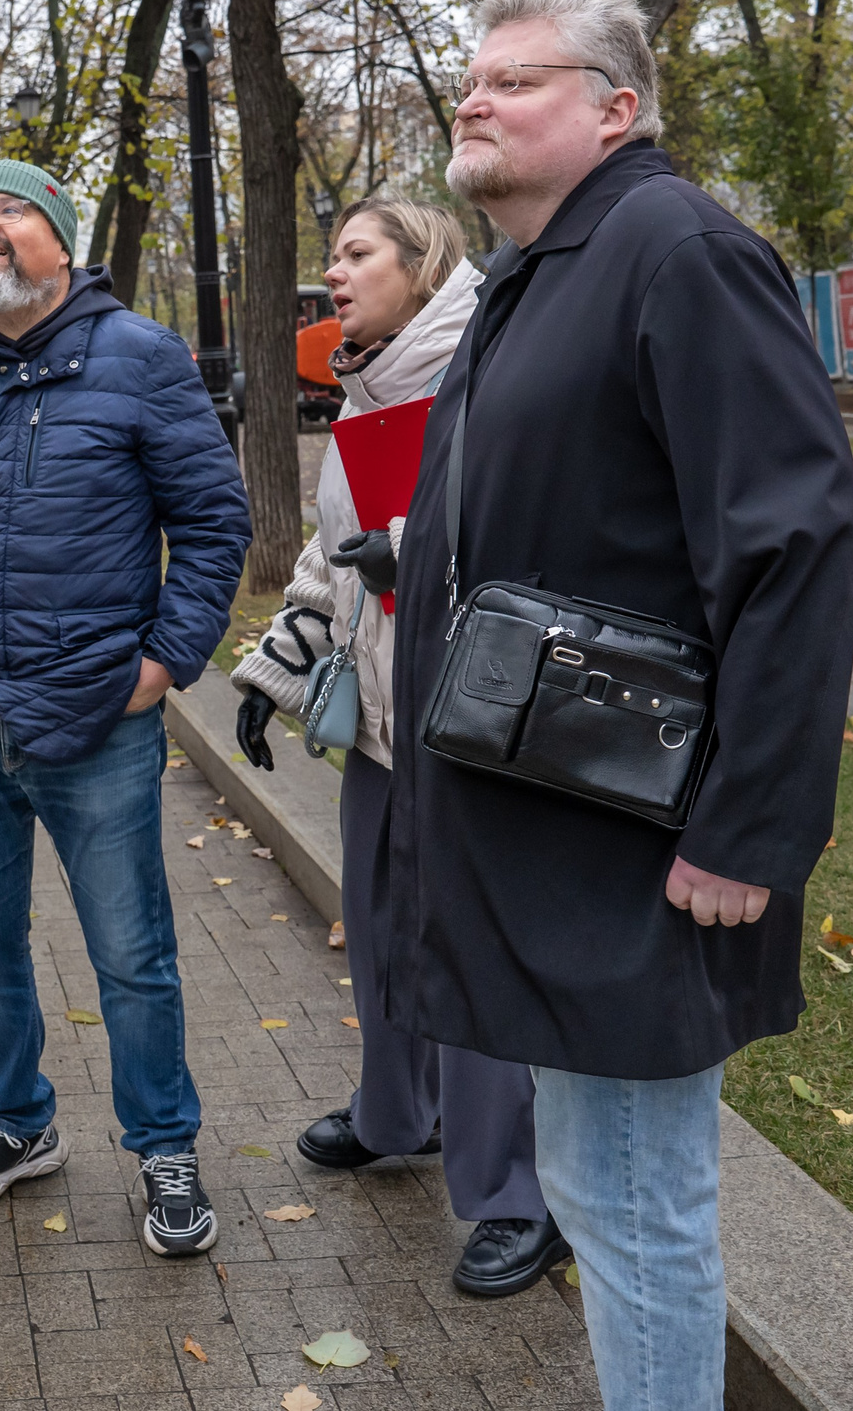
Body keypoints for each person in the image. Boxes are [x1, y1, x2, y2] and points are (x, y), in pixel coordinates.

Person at [383, 0, 853, 1408]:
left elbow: (797, 548)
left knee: (640, 1210)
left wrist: (746, 831)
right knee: (600, 1193)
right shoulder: (551, 268)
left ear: (616, 109)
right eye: (471, 77)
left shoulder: (675, 249)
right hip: (560, 823)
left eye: (516, 79)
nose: (474, 94)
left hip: (648, 843)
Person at [0, 158, 251, 1256]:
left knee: (131, 954)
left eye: (8, 211)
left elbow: (214, 525)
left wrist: (163, 663)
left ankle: (164, 1144)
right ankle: (15, 1126)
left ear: (61, 241)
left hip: (95, 720)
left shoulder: (141, 358)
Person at [229, 197, 564, 1298]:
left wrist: (407, 549)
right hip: (380, 714)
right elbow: (333, 560)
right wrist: (275, 676)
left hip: (469, 713)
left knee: (466, 942)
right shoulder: (367, 379)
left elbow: (540, 525)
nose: (334, 272)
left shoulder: (491, 361)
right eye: (330, 253)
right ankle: (398, 1115)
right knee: (377, 926)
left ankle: (516, 1193)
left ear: (423, 264)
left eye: (355, 253)